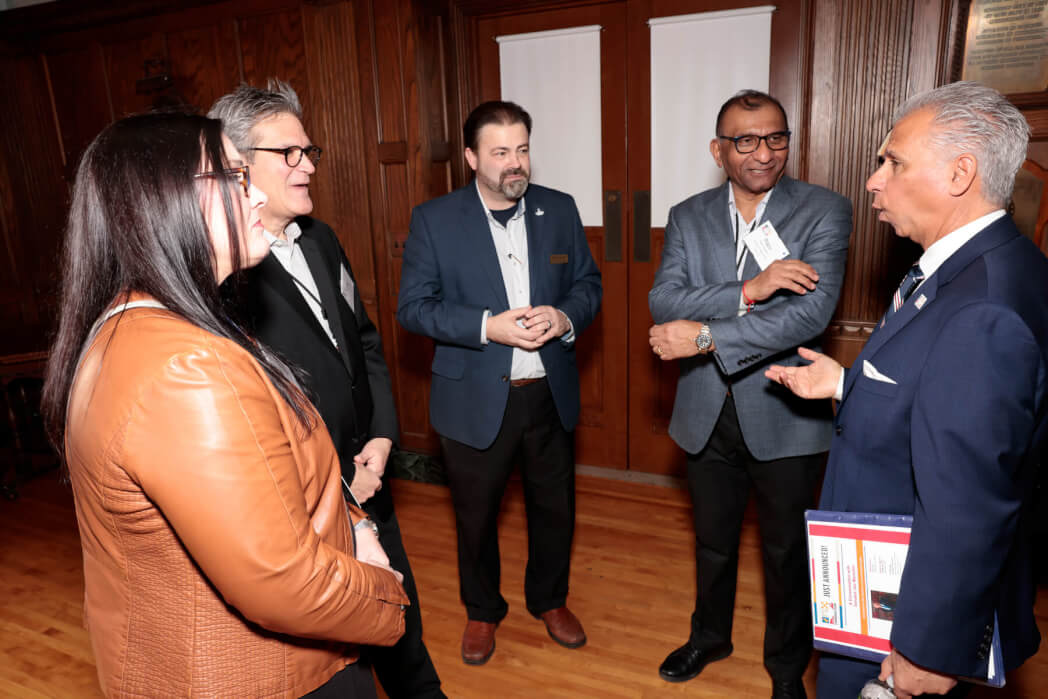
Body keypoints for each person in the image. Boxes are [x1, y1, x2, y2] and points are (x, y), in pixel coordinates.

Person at [40, 112, 408, 698]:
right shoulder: (186, 368)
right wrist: (385, 593)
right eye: (236, 177)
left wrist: (354, 523)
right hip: (263, 676)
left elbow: (275, 479)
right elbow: (282, 582)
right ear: (167, 203)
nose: (256, 194)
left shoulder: (147, 326)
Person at [765, 82, 1048, 698]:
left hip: (909, 614)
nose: (873, 181)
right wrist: (846, 384)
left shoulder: (982, 308)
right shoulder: (979, 266)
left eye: (893, 162)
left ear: (959, 173)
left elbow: (969, 501)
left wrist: (929, 646)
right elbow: (948, 408)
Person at [209, 80, 445, 699]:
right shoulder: (220, 279)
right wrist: (339, 486)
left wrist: (384, 436)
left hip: (369, 473)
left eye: (308, 150)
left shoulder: (320, 238)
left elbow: (362, 342)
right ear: (235, 167)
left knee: (399, 614)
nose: (308, 165)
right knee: (338, 652)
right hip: (304, 506)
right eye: (288, 153)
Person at [648, 89, 852, 698]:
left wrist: (705, 334)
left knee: (787, 551)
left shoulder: (824, 210)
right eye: (745, 141)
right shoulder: (687, 215)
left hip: (786, 410)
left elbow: (809, 315)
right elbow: (663, 300)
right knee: (712, 542)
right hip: (705, 410)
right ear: (719, 150)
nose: (763, 153)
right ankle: (710, 636)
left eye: (775, 138)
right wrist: (750, 290)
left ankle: (787, 669)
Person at [396, 100, 601, 665]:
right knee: (476, 515)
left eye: (523, 149)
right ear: (471, 157)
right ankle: (483, 610)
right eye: (501, 152)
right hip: (473, 398)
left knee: (554, 509)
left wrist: (564, 317)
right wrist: (488, 326)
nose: (516, 163)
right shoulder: (435, 220)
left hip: (548, 394)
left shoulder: (559, 209)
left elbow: (587, 285)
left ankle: (550, 600)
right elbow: (413, 308)